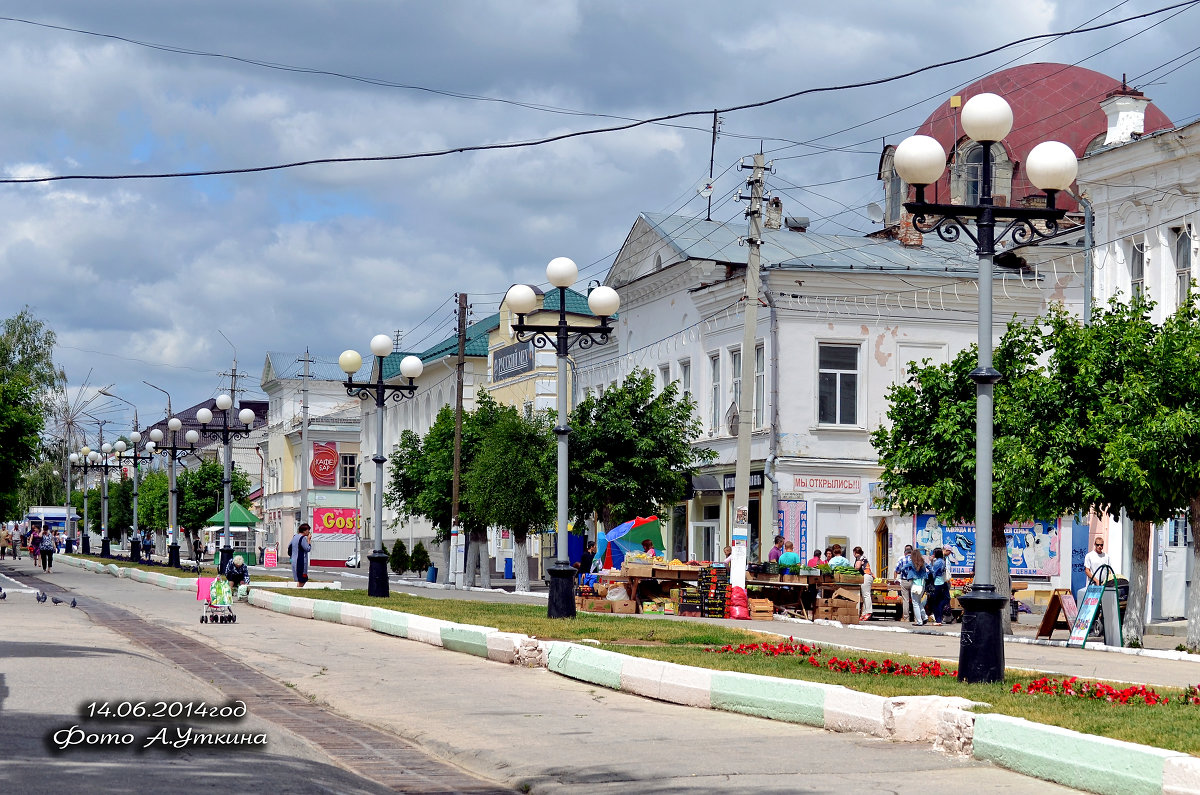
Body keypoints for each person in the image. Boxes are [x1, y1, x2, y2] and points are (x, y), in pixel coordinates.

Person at [1077, 536, 1113, 605]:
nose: (1099, 546)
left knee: (1103, 605)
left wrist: (1107, 581)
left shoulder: (1106, 556)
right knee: (1092, 604)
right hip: (1093, 585)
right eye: (1097, 545)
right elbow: (1087, 570)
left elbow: (1109, 570)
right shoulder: (1089, 555)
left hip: (1104, 584)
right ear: (1095, 545)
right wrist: (1096, 580)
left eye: (1101, 545)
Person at [928, 547, 951, 625]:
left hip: (937, 582)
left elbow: (933, 573)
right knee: (944, 599)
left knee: (935, 602)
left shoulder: (937, 562)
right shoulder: (942, 561)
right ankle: (939, 618)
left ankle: (938, 619)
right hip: (942, 581)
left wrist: (929, 565)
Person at [893, 544, 915, 622]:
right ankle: (916, 617)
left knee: (906, 600)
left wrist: (896, 578)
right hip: (914, 581)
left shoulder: (902, 560)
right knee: (915, 600)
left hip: (905, 581)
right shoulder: (915, 560)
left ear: (905, 553)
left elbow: (897, 570)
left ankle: (906, 617)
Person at [852, 546, 874, 621]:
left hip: (866, 576)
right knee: (864, 595)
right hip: (867, 576)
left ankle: (869, 612)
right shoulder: (862, 557)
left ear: (855, 552)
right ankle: (864, 613)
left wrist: (853, 569)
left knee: (866, 595)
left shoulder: (859, 558)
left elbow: (857, 567)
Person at [909, 548, 929, 626]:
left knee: (915, 603)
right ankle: (924, 617)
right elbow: (930, 569)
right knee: (918, 601)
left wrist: (908, 573)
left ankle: (919, 621)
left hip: (915, 584)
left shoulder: (912, 563)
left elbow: (903, 568)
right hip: (922, 584)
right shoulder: (923, 563)